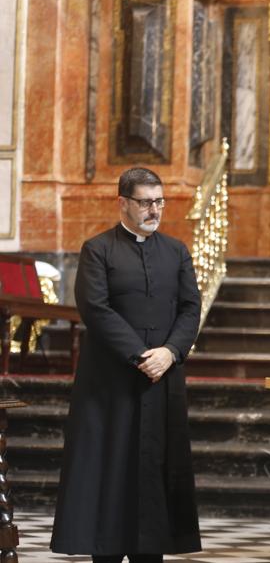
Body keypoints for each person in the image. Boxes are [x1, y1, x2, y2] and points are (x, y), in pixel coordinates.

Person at [51, 167, 202, 562]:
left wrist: (170, 352)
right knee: (110, 470)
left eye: (159, 201)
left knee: (155, 469)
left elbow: (191, 308)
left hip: (163, 381)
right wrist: (140, 356)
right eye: (146, 202)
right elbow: (95, 310)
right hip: (111, 383)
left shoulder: (176, 251)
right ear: (123, 203)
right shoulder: (98, 249)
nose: (155, 210)